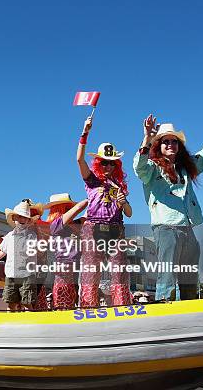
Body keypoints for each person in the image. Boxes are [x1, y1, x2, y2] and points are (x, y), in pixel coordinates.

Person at [133, 115, 203, 301]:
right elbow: (139, 167)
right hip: (166, 228)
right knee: (168, 275)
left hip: (188, 228)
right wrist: (147, 138)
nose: (171, 144)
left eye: (174, 141)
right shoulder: (152, 168)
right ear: (159, 146)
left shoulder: (184, 168)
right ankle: (164, 311)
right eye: (166, 142)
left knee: (189, 276)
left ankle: (189, 310)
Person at [77, 116, 133, 308]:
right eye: (104, 163)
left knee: (119, 271)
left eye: (112, 163)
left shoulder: (120, 186)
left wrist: (123, 201)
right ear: (98, 163)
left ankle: (122, 306)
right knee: (92, 270)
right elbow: (79, 159)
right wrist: (85, 133)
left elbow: (129, 213)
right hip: (94, 228)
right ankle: (88, 307)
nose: (108, 166)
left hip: (116, 229)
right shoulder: (92, 181)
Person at [0, 201, 39, 311]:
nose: (21, 219)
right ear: (14, 219)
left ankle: (30, 322)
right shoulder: (10, 235)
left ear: (28, 220)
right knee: (11, 302)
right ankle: (11, 321)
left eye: (24, 217)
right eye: (19, 217)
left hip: (26, 274)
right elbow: (3, 251)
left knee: (27, 302)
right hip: (11, 274)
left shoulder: (31, 235)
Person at [44, 193, 88, 310]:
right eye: (68, 208)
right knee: (63, 295)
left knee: (72, 294)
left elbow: (85, 216)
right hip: (63, 264)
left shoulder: (73, 225)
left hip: (74, 265)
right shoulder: (56, 224)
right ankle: (61, 314)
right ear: (60, 210)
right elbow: (79, 208)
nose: (71, 211)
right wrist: (93, 196)